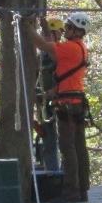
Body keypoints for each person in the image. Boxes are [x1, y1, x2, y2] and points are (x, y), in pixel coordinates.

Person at [27, 12, 91, 203]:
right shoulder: (81, 48)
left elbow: (42, 45)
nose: (65, 32)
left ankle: (71, 190)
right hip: (75, 102)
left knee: (67, 148)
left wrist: (25, 26)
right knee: (79, 148)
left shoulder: (70, 47)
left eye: (68, 28)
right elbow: (68, 77)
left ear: (75, 30)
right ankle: (82, 189)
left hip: (68, 106)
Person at [35, 18, 64, 171]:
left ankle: (67, 176)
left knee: (66, 142)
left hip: (63, 101)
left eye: (52, 33)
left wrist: (55, 90)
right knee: (49, 141)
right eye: (46, 34)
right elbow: (34, 82)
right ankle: (52, 173)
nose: (48, 37)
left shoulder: (63, 53)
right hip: (45, 105)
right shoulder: (39, 58)